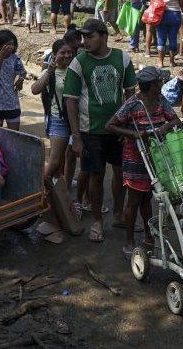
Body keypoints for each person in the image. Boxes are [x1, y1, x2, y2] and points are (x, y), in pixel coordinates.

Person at [64, 18, 137, 243]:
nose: (84, 41)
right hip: (90, 131)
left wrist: (128, 127)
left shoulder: (122, 58)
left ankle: (117, 214)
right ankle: (97, 220)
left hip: (118, 130)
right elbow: (71, 102)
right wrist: (76, 137)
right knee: (96, 176)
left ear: (103, 36)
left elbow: (130, 95)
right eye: (83, 37)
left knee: (121, 174)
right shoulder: (78, 62)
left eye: (89, 36)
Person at [106, 66, 179, 256]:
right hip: (134, 158)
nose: (162, 84)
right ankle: (129, 241)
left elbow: (175, 120)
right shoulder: (133, 103)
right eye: (159, 82)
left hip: (155, 157)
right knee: (134, 200)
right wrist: (135, 134)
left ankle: (148, 235)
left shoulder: (161, 101)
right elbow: (111, 125)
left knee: (147, 199)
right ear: (152, 85)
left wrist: (164, 129)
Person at [31, 39, 77, 183]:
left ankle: (60, 192)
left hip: (76, 120)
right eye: (62, 53)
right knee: (55, 161)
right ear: (55, 55)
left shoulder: (76, 70)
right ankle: (37, 189)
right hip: (58, 119)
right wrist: (49, 72)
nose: (67, 55)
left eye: (69, 52)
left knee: (67, 158)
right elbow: (34, 89)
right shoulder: (50, 71)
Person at [153, 0, 183, 68]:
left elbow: (154, 0)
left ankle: (160, 62)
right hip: (175, 15)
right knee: (173, 38)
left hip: (161, 15)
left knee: (161, 38)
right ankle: (171, 62)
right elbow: (181, 4)